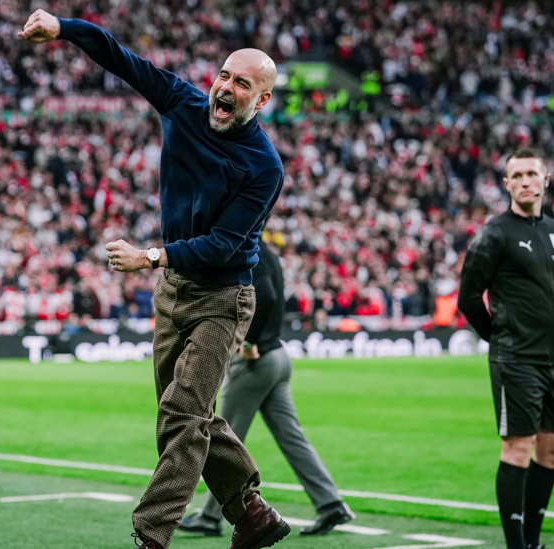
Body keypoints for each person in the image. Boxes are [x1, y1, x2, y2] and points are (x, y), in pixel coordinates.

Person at [20, 11, 288, 549]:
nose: (225, 88)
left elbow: (222, 246)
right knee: (182, 416)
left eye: (242, 84)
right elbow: (119, 57)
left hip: (223, 298)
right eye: (224, 76)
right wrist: (63, 28)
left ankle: (151, 536)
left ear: (261, 101)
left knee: (182, 415)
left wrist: (150, 257)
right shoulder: (182, 102)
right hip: (173, 293)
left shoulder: (264, 166)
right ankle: (252, 513)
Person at [180, 243, 355, 537]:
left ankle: (210, 516)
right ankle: (330, 503)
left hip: (256, 362)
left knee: (224, 438)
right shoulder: (267, 251)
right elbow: (272, 295)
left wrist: (250, 342)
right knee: (292, 437)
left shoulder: (249, 250)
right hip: (277, 356)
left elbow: (267, 295)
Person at [458, 148, 554, 549]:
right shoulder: (494, 234)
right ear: (506, 183)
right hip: (516, 359)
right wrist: (500, 337)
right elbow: (468, 298)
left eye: (532, 174)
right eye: (517, 175)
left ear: (546, 180)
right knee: (517, 448)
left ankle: (532, 541)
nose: (525, 181)